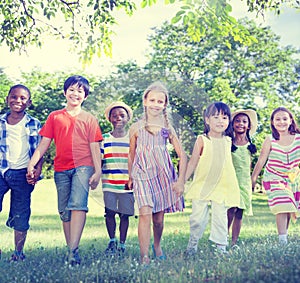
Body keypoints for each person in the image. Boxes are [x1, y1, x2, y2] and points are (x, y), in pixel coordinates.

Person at [27, 75, 103, 265]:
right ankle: (71, 250)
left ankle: (73, 251)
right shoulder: (55, 116)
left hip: (83, 167)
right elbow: (44, 143)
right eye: (72, 89)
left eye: (80, 91)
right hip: (61, 168)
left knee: (78, 204)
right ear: (65, 92)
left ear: (85, 96)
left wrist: (98, 171)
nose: (75, 93)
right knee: (64, 210)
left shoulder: (89, 119)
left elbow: (95, 146)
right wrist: (32, 163)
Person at [128, 81, 187, 264]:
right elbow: (131, 154)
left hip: (163, 175)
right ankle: (144, 256)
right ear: (145, 101)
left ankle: (157, 245)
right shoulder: (135, 127)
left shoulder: (167, 128)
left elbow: (182, 156)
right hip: (142, 175)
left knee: (158, 219)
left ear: (164, 105)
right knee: (145, 212)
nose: (155, 104)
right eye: (152, 100)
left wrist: (181, 181)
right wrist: (130, 175)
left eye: (160, 101)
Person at [184, 102, 240, 255]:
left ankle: (221, 248)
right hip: (203, 184)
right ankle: (193, 244)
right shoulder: (202, 139)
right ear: (207, 120)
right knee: (197, 218)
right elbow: (193, 162)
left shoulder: (228, 141)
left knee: (220, 217)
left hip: (223, 186)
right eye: (216, 117)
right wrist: (182, 181)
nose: (220, 121)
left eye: (224, 117)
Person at [0, 84, 42, 261]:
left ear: (29, 102)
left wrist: (36, 171)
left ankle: (18, 253)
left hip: (23, 174)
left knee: (21, 212)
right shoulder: (1, 121)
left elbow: (39, 150)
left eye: (23, 98)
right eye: (14, 97)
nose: (18, 100)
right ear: (7, 99)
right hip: (1, 170)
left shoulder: (34, 123)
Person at [251, 107, 300, 245]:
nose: (281, 122)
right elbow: (261, 160)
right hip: (274, 177)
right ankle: (282, 241)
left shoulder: (298, 138)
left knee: (289, 206)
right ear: (272, 122)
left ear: (291, 120)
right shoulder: (270, 139)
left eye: (285, 118)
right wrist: (253, 178)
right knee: (283, 203)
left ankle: (284, 236)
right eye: (277, 119)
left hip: (292, 178)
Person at [101, 101, 134, 256]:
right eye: (115, 116)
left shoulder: (132, 139)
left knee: (125, 214)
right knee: (109, 212)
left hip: (127, 184)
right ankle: (112, 240)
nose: (118, 118)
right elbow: (99, 159)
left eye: (122, 115)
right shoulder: (104, 139)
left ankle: (122, 243)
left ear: (127, 118)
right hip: (109, 183)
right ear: (110, 119)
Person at [227, 109, 257, 247]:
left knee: (239, 212)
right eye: (237, 121)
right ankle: (223, 236)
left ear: (249, 126)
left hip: (244, 182)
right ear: (233, 124)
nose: (241, 124)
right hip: (231, 181)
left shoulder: (249, 146)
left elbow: (250, 166)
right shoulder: (229, 142)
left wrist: (252, 181)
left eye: (244, 121)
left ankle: (234, 241)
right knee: (231, 209)